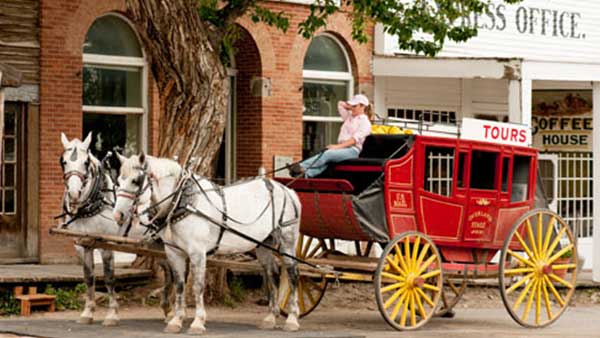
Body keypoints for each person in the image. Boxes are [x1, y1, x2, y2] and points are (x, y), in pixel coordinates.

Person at [291, 94, 372, 178]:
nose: (352, 108)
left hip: (353, 150)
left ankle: (300, 167)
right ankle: (306, 174)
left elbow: (354, 140)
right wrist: (349, 106)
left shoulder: (365, 122)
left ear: (363, 106)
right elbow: (340, 104)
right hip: (343, 148)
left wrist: (337, 147)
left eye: (355, 106)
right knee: (326, 162)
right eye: (351, 106)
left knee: (327, 154)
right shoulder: (349, 117)